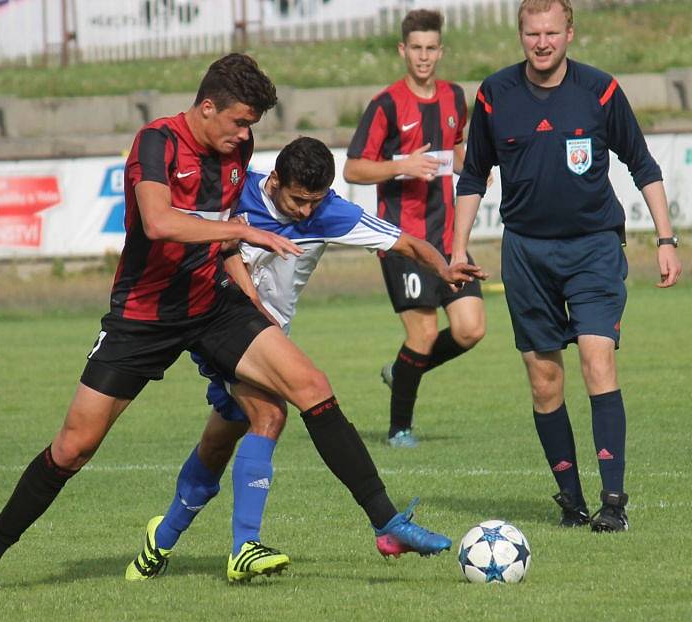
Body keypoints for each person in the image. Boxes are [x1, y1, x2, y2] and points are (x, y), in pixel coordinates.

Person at [0, 54, 453, 596]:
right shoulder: (157, 143)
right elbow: (158, 222)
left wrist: (247, 284)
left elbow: (222, 241)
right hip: (144, 315)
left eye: (251, 125)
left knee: (309, 389)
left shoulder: (236, 149)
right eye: (241, 121)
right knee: (73, 448)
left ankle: (387, 521)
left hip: (213, 303)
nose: (247, 135)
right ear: (207, 107)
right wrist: (247, 233)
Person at [134, 136, 487, 582]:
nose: (305, 212)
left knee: (220, 439)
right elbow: (218, 249)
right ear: (276, 179)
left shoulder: (329, 212)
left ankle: (159, 540)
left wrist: (445, 267)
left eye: (314, 202)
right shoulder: (238, 192)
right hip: (222, 325)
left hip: (268, 337)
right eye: (298, 200)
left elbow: (409, 244)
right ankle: (257, 543)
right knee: (271, 413)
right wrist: (252, 306)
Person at [453, 0, 681, 532]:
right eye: (532, 33)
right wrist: (458, 247)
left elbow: (643, 165)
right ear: (521, 35)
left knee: (598, 360)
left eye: (551, 32)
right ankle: (572, 500)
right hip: (526, 252)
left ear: (569, 33)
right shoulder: (493, 95)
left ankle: (613, 503)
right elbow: (472, 175)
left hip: (594, 247)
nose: (542, 42)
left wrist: (666, 239)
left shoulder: (599, 91)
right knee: (543, 379)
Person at [344, 9, 486, 448]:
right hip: (402, 241)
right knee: (422, 334)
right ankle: (399, 428)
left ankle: (401, 370)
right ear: (403, 50)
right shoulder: (386, 104)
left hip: (449, 237)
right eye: (416, 48)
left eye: (431, 48)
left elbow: (458, 147)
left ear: (440, 51)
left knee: (470, 329)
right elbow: (352, 169)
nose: (424, 57)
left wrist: (477, 168)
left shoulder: (453, 96)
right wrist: (400, 165)